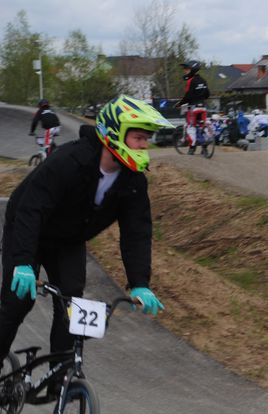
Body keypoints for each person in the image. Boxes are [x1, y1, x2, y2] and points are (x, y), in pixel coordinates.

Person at [0, 95, 170, 395]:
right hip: (28, 227)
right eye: (139, 137)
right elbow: (30, 209)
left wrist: (139, 283)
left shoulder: (133, 181)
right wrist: (24, 261)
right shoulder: (69, 160)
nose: (145, 145)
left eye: (147, 139)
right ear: (114, 134)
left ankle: (59, 379)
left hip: (67, 239)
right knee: (18, 301)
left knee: (71, 303)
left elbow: (137, 232)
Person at [175, 60, 210, 154]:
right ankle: (205, 148)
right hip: (203, 107)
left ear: (192, 70)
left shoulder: (190, 81)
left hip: (193, 108)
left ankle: (192, 148)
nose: (185, 71)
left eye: (187, 69)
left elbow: (188, 96)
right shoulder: (203, 80)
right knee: (203, 126)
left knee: (191, 127)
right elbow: (207, 94)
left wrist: (180, 104)